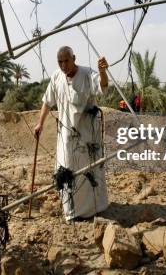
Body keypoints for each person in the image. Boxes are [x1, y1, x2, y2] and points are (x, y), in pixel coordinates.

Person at [34, 46, 109, 221]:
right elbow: (47, 101)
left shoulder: (87, 74)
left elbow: (103, 87)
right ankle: (71, 210)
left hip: (87, 136)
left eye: (66, 61)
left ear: (74, 58)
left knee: (89, 171)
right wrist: (40, 123)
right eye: (60, 62)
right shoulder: (56, 77)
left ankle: (93, 209)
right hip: (66, 136)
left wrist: (103, 72)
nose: (63, 65)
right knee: (66, 169)